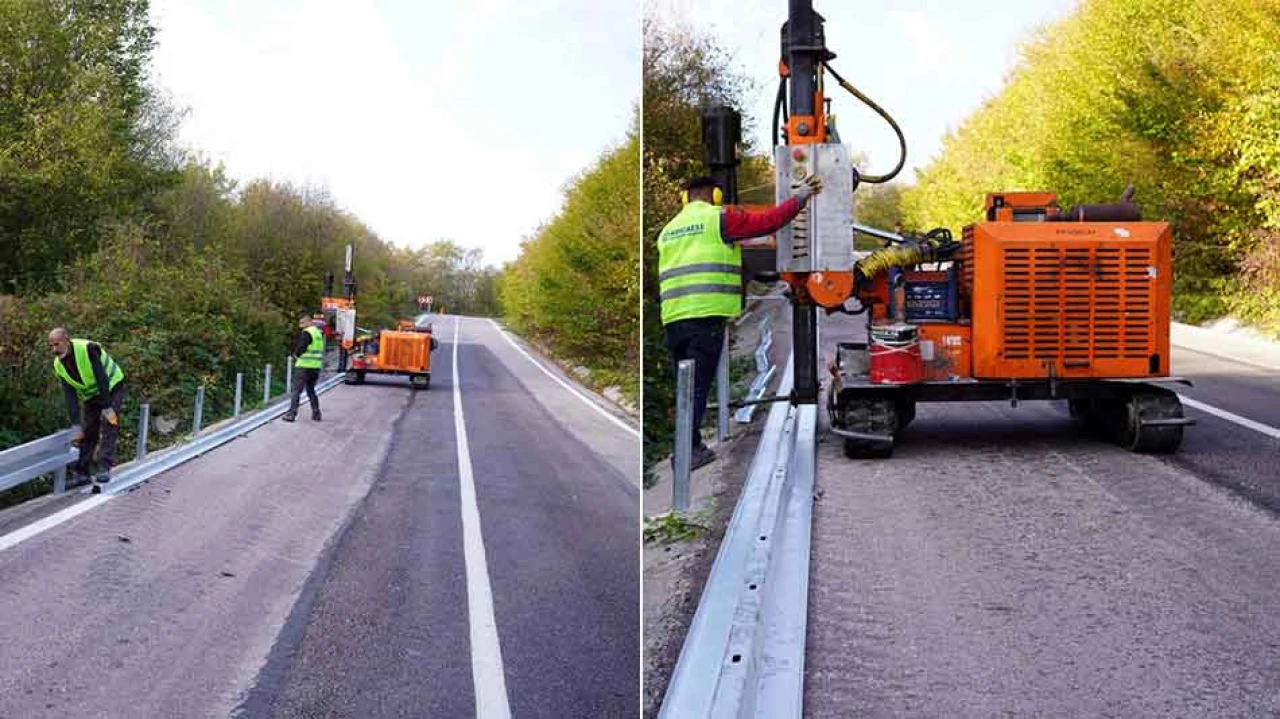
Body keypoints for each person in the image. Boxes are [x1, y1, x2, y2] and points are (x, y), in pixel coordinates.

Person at [658, 174, 823, 469]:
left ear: (685, 198)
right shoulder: (719, 218)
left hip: (673, 318)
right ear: (715, 195)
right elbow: (768, 222)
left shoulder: (669, 230)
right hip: (705, 314)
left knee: (685, 385)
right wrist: (800, 198)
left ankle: (688, 445)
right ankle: (685, 453)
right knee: (696, 388)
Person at [48, 328, 125, 492]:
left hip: (111, 386)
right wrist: (75, 423)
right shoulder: (58, 365)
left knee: (109, 424)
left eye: (57, 344)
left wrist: (107, 407)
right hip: (91, 395)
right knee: (89, 430)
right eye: (51, 345)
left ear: (67, 340)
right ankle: (82, 473)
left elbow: (101, 377)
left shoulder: (88, 349)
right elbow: (70, 395)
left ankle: (104, 467)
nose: (54, 350)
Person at [283, 315, 324, 422]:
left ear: (308, 322)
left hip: (304, 366)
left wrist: (295, 355)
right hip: (315, 367)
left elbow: (301, 347)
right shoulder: (318, 333)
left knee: (296, 390)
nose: (301, 326)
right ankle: (316, 413)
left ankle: (291, 413)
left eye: (302, 323)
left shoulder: (307, 332)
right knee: (311, 390)